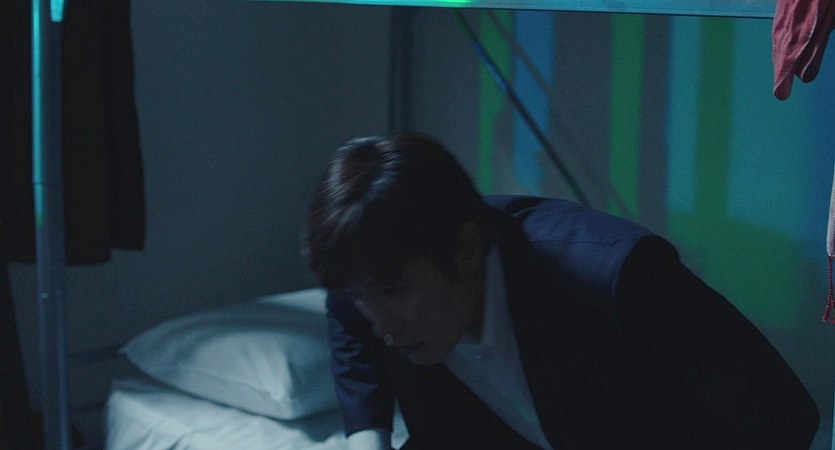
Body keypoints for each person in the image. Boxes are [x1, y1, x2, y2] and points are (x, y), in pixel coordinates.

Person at [303, 133, 819, 449]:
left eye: (394, 292)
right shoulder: (367, 282)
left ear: (466, 248)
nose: (382, 325)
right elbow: (352, 330)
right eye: (361, 297)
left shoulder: (615, 278)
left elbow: (783, 416)